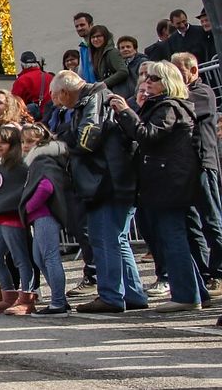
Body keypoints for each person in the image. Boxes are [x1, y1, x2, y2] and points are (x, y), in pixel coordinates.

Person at [110, 61, 208, 311]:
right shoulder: (164, 106)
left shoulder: (169, 107)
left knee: (172, 238)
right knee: (175, 237)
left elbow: (147, 136)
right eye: (147, 77)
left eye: (154, 78)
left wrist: (125, 112)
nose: (147, 81)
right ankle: (195, 292)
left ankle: (186, 295)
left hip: (169, 184)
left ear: (167, 82)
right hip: (169, 182)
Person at [49, 71, 146, 313]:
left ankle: (111, 295)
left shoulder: (94, 101)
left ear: (65, 92)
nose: (61, 104)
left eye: (59, 99)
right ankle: (132, 294)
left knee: (105, 240)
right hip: (112, 179)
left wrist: (61, 141)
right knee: (118, 240)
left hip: (105, 181)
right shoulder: (96, 99)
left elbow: (86, 139)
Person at [170, 53, 222, 297]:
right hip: (183, 169)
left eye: (179, 71)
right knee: (192, 225)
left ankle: (219, 272)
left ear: (193, 71)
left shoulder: (202, 92)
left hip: (203, 163)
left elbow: (186, 111)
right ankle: (205, 273)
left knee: (212, 221)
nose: (176, 76)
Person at [19, 122, 72, 315]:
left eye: (30, 142)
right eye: (23, 141)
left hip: (45, 214)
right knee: (39, 257)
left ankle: (58, 301)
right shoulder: (37, 160)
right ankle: (59, 299)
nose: (25, 146)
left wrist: (28, 206)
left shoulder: (44, 160)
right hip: (39, 215)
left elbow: (47, 187)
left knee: (49, 257)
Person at [0, 124, 37, 315]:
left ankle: (28, 297)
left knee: (20, 258)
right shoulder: (1, 163)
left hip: (14, 215)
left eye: (4, 142)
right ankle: (9, 295)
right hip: (0, 215)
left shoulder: (22, 163)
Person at [12, 51, 54, 119]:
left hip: (31, 120)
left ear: (22, 65)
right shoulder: (50, 77)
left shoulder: (21, 80)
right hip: (51, 118)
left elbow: (15, 103)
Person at [87, 25, 128, 92]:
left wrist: (104, 83)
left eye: (98, 36)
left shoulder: (112, 52)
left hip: (117, 92)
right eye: (93, 37)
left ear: (105, 37)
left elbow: (123, 72)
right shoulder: (95, 54)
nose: (95, 39)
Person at [73, 12, 96, 82]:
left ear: (91, 25)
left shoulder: (99, 44)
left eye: (82, 25)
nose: (79, 28)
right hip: (91, 89)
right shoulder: (82, 47)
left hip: (102, 88)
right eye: (76, 26)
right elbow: (82, 72)